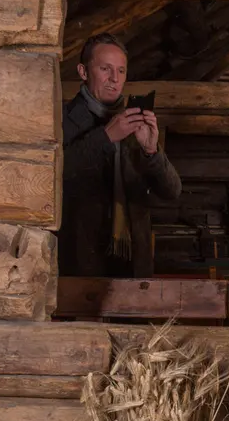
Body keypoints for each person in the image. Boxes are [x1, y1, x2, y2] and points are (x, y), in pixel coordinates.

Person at [58, 33, 181, 277]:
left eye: (121, 71)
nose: (115, 79)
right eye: (105, 69)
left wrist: (151, 150)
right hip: (77, 262)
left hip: (132, 263)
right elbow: (50, 176)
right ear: (83, 72)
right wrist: (105, 138)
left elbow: (172, 191)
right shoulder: (60, 118)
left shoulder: (134, 121)